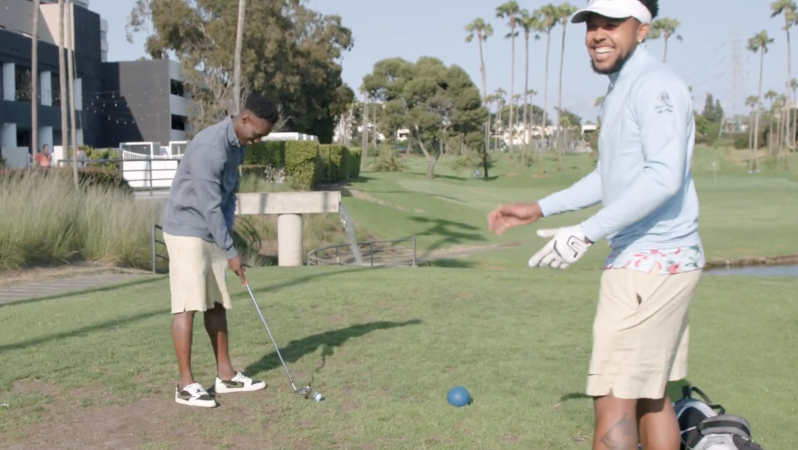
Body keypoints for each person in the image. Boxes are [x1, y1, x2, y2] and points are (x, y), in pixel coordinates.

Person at [487, 0, 703, 449]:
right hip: (658, 260)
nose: (598, 34)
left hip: (650, 262)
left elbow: (663, 177)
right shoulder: (625, 85)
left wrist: (586, 231)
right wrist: (541, 207)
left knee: (612, 401)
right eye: (592, 24)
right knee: (649, 395)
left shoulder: (655, 86)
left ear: (642, 30)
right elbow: (612, 175)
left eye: (613, 24)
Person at [161, 93, 279, 408]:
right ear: (244, 119)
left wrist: (228, 241)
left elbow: (228, 199)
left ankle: (225, 376)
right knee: (186, 305)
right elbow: (209, 205)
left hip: (210, 232)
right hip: (186, 229)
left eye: (262, 138)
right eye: (256, 135)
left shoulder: (236, 148)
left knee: (215, 304)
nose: (256, 141)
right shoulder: (209, 148)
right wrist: (230, 250)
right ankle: (185, 385)